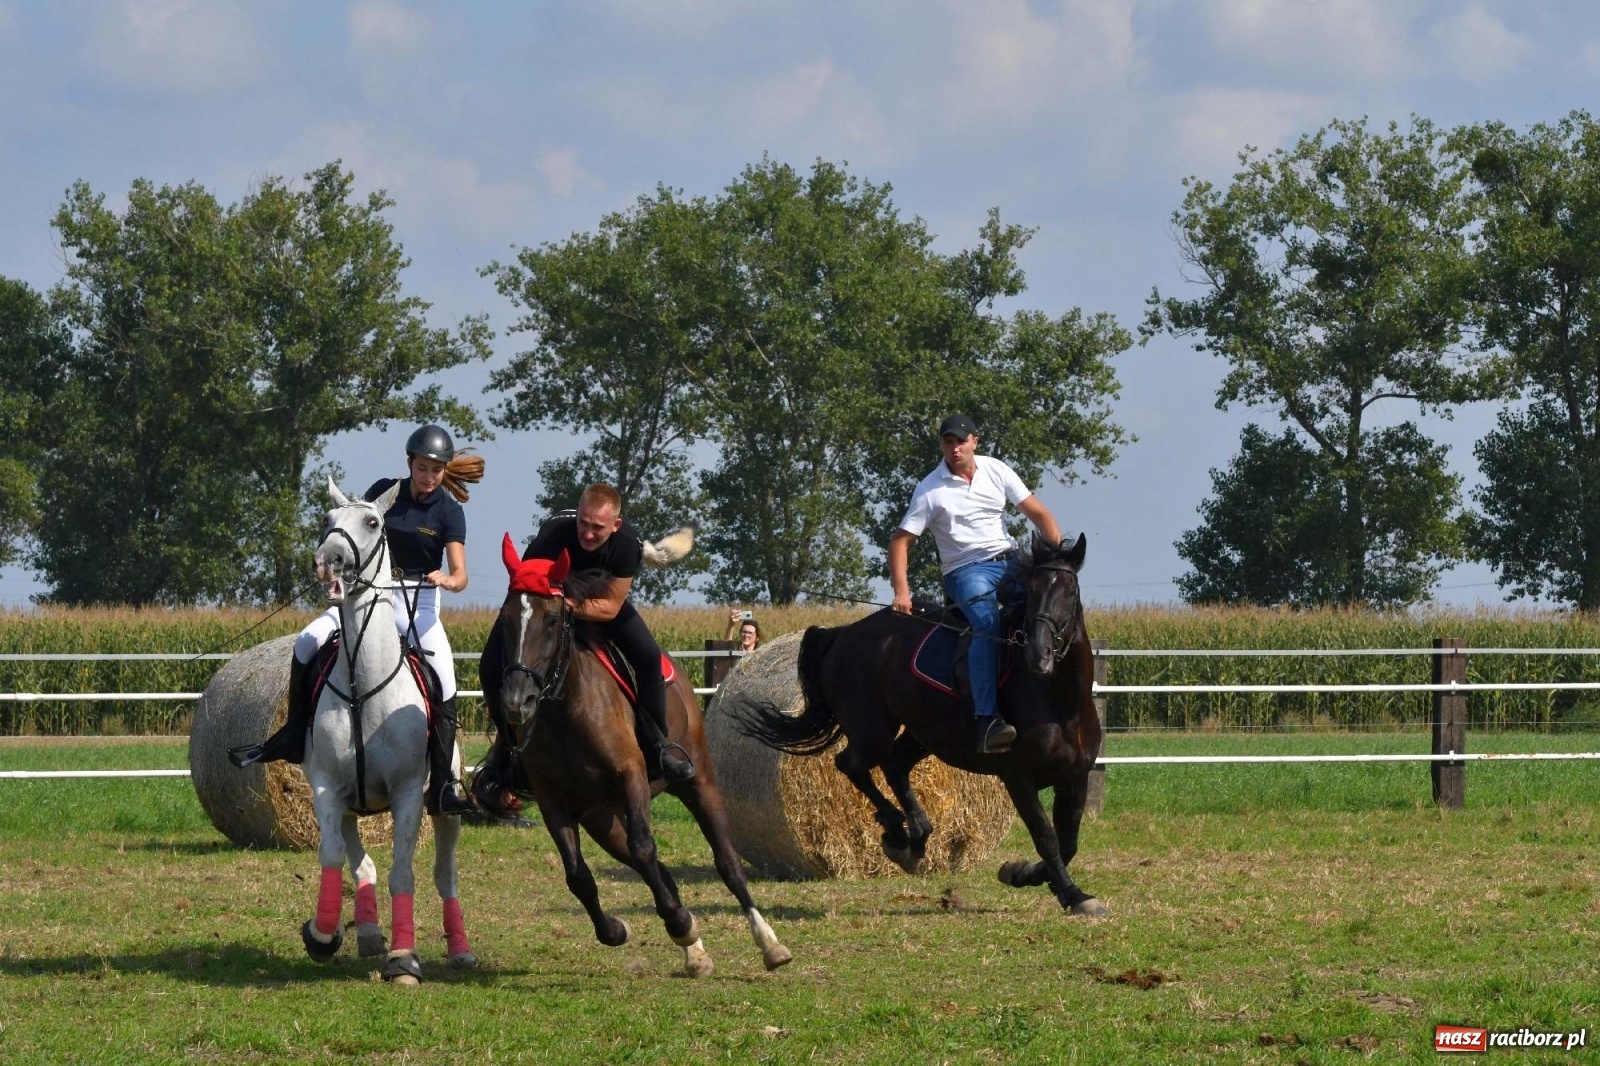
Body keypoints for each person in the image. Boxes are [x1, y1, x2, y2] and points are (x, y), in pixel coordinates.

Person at [230, 423, 481, 817]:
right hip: (363, 597)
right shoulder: (383, 492)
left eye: (436, 470)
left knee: (445, 681)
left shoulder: (449, 511)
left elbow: (461, 574)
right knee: (307, 642)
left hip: (418, 605)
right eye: (422, 468)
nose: (429, 477)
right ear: (409, 463)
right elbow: (352, 534)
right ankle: (293, 736)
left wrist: (449, 580)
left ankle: (444, 786)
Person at [472, 484, 694, 816]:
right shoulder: (553, 535)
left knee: (649, 657)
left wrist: (569, 607)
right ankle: (504, 753)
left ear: (615, 525)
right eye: (583, 524)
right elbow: (526, 590)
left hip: (595, 603)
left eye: (597, 528)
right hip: (546, 607)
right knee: (490, 664)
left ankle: (659, 746)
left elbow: (611, 607)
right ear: (577, 515)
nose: (588, 534)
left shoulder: (627, 545)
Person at [888, 413, 1065, 755]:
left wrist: (1055, 561)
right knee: (986, 623)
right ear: (942, 446)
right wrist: (901, 591)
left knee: (1049, 607)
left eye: (961, 441)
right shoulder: (929, 490)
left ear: (975, 442)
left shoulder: (996, 469)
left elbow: (1039, 515)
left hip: (1010, 561)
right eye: (948, 442)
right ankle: (987, 719)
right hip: (966, 571)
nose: (955, 449)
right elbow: (900, 542)